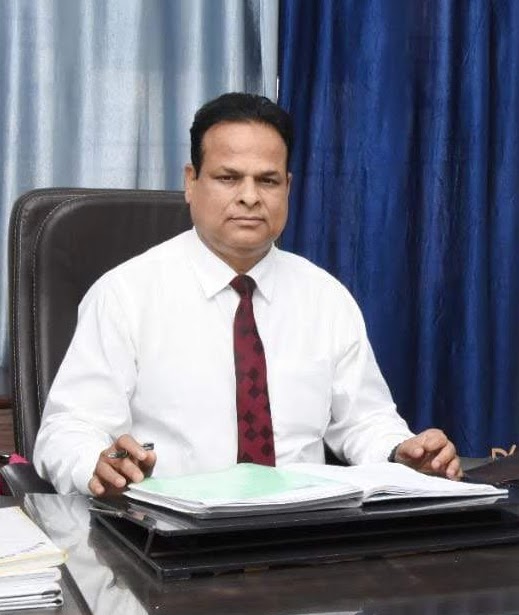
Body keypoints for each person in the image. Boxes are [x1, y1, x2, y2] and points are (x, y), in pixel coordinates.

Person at [33, 93, 461, 495]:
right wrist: (94, 464)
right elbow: (67, 430)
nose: (250, 197)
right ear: (191, 182)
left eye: (268, 180)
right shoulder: (126, 295)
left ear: (288, 187)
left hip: (302, 527)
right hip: (171, 529)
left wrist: (401, 451)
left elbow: (364, 420)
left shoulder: (326, 298)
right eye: (229, 178)